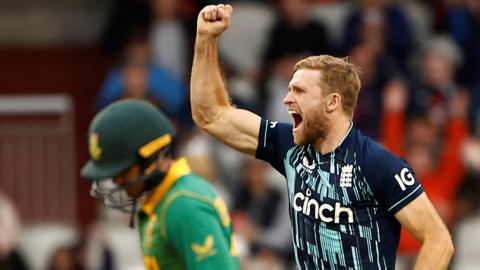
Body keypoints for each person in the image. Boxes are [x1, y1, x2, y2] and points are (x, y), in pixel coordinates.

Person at [190, 4, 454, 269]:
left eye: (299, 91)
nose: (286, 99)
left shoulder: (378, 164)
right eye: (290, 89)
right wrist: (206, 40)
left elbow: (438, 240)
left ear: (332, 103)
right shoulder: (289, 146)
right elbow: (211, 116)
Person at [80, 100, 239, 270]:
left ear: (151, 158)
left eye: (122, 171)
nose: (116, 181)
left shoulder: (184, 206)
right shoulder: (160, 201)